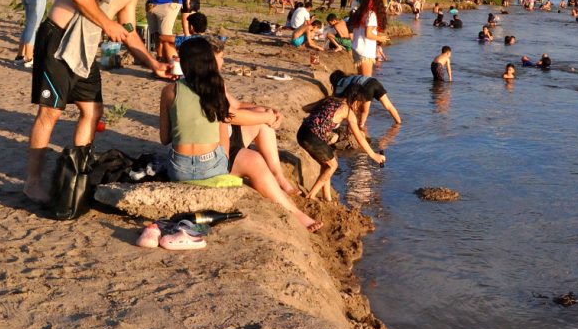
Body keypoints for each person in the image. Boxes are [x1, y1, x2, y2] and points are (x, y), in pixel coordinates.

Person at [24, 0, 172, 203]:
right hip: (59, 38)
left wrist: (154, 64)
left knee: (92, 111)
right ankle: (32, 183)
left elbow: (128, 32)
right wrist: (107, 24)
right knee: (50, 113)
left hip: (86, 47)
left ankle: (78, 173)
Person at [160, 36, 319, 231]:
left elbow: (165, 138)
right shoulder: (215, 86)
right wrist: (224, 154)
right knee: (253, 158)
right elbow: (228, 118)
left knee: (223, 121)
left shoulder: (168, 91)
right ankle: (296, 213)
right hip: (211, 167)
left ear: (183, 64)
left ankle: (286, 194)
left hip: (179, 170)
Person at [298, 85, 385, 202]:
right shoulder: (347, 111)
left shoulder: (330, 99)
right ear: (356, 101)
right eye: (360, 104)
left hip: (302, 133)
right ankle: (311, 195)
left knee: (326, 164)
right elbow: (360, 138)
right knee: (333, 166)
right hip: (313, 138)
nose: (359, 107)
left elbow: (307, 108)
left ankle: (327, 197)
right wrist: (374, 155)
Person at [328, 70, 401, 129]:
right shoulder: (350, 77)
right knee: (389, 106)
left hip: (366, 86)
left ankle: (361, 127)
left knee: (364, 111)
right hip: (373, 81)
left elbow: (336, 100)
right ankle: (398, 123)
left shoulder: (340, 83)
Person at [349, 0, 387, 77]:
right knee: (366, 79)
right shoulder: (371, 15)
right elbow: (368, 34)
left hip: (356, 48)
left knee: (360, 77)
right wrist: (380, 38)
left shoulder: (360, 12)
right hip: (365, 51)